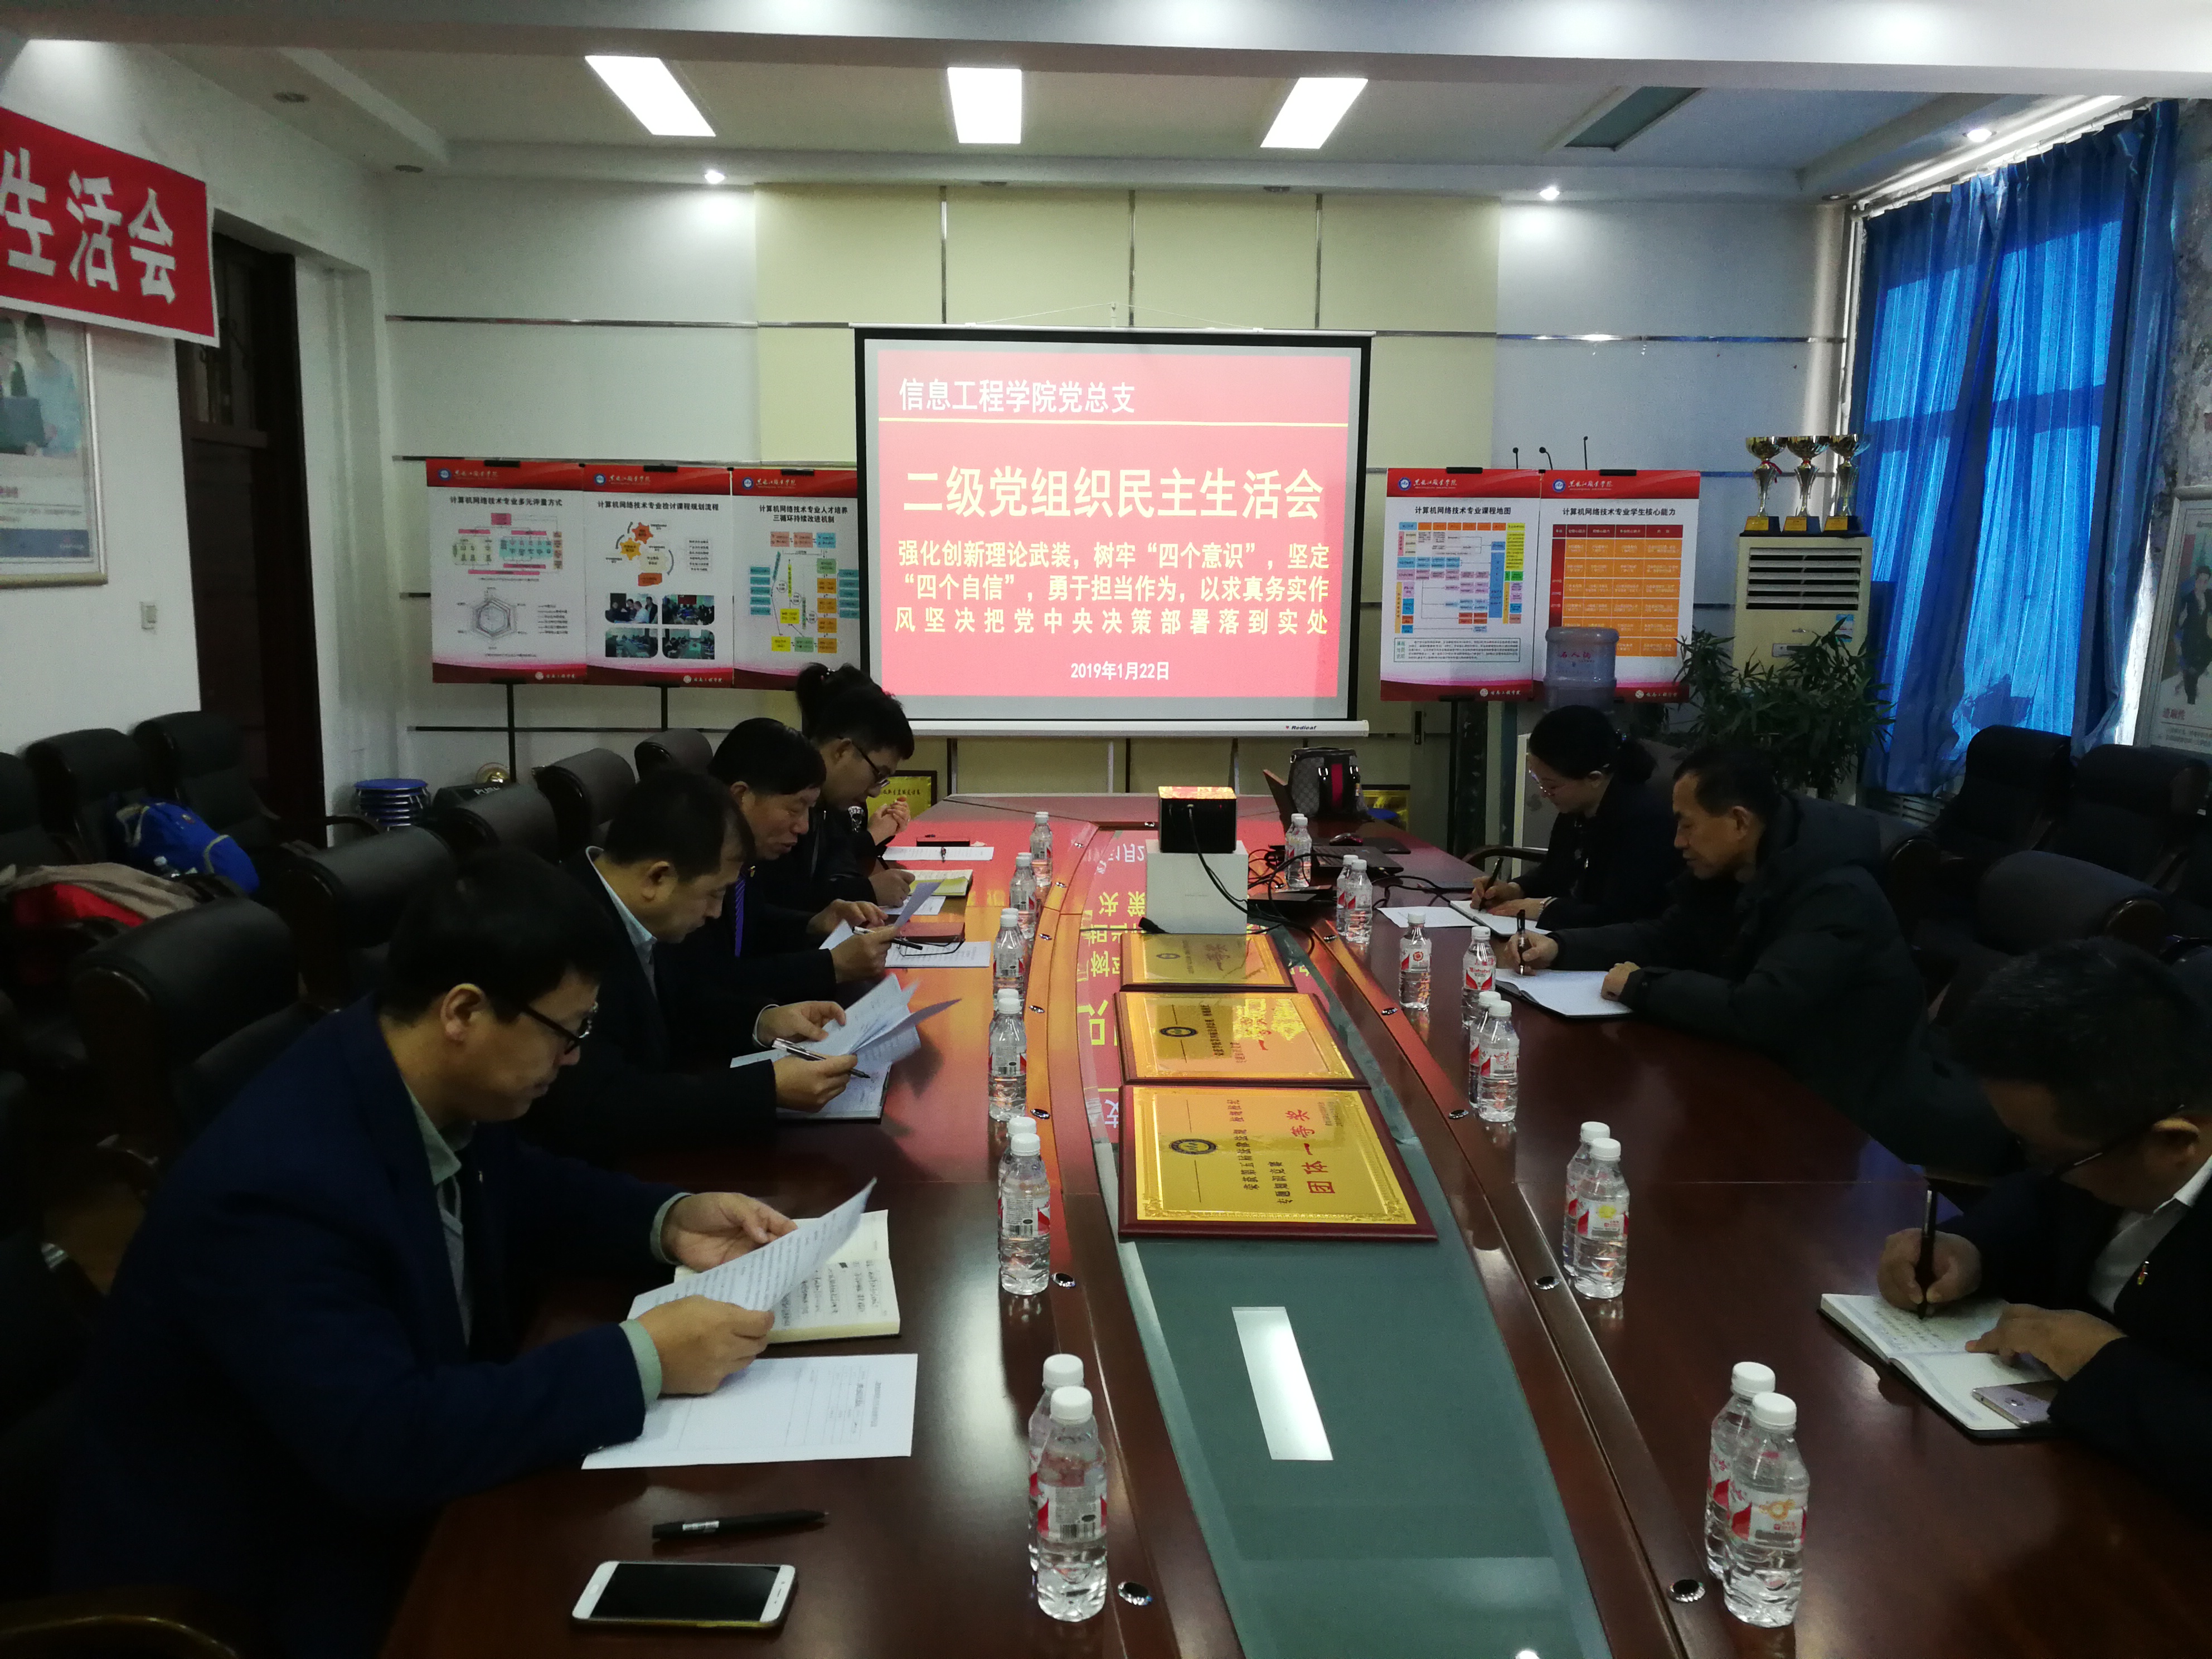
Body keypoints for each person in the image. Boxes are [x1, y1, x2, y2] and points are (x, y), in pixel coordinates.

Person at [56, 850, 799, 1659]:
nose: (575, 1057)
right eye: (567, 1031)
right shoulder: (274, 1193)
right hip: (267, 1577)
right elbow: (388, 1444)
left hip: (379, 1494)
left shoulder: (401, 1067)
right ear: (463, 1013)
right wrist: (642, 1360)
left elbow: (525, 1187)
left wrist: (668, 1218)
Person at [1502, 744, 2009, 1170]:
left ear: (1739, 822)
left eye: (1687, 826)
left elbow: (1761, 1009)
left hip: (1846, 1108)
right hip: (1771, 1075)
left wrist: (1644, 986)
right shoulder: (1743, 864)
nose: (1677, 842)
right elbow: (1669, 936)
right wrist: (1562, 946)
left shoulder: (1836, 893)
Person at [1874, 941, 2212, 1500]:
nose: (2036, 1166)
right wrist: (1968, 1250)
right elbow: (2040, 1199)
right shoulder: (2108, 1135)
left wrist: (2099, 1360)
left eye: (2045, 1153)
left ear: (2174, 1144)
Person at [525, 766, 857, 1162]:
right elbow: (598, 1103)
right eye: (714, 894)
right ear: (658, 879)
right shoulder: (567, 938)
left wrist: (763, 1022)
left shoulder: (635, 908)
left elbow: (683, 1002)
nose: (716, 912)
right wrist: (764, 1089)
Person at [678, 718, 894, 1010]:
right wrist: (830, 966)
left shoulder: (743, 854)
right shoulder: (693, 868)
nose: (803, 827)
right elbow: (710, 981)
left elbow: (753, 919)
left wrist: (814, 922)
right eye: (795, 809)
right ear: (741, 797)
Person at [1480, 706, 1680, 928]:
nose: (1544, 794)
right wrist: (1516, 889)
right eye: (1537, 779)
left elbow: (1619, 915)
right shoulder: (1577, 809)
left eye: (1552, 786)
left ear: (1594, 778)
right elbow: (1554, 872)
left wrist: (1546, 908)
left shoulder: (1644, 822)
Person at [749, 662, 919, 913]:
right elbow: (775, 899)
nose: (875, 791)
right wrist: (867, 890)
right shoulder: (784, 787)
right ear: (843, 751)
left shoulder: (827, 804)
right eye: (878, 775)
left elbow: (838, 861)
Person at [2175, 565, 2212, 705]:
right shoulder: (2188, 599)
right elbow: (2179, 624)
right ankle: (2190, 700)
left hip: (2205, 640)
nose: (2202, 584)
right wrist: (2183, 617)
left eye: (2206, 581)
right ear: (2195, 581)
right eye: (2200, 581)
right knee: (2192, 673)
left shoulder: (2209, 595)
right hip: (2190, 641)